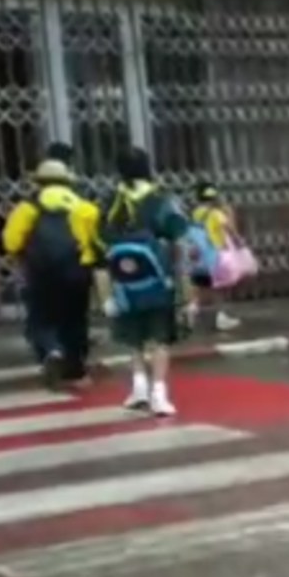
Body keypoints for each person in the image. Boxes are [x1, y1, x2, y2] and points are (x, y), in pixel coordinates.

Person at [99, 147, 190, 417]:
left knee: (133, 336)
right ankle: (159, 393)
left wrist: (105, 293)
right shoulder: (161, 200)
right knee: (160, 338)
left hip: (124, 282)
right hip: (159, 281)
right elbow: (180, 236)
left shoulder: (111, 202)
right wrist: (185, 284)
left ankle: (139, 387)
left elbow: (101, 241)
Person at [2, 157, 100, 389]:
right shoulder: (84, 207)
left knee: (41, 317)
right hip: (77, 271)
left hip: (42, 272)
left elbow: (11, 242)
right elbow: (96, 242)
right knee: (75, 320)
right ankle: (75, 371)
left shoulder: (29, 208)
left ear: (40, 182)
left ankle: (51, 349)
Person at [187, 182, 243, 333]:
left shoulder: (196, 213)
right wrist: (238, 241)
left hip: (199, 256)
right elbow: (230, 230)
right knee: (220, 287)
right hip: (216, 255)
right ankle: (221, 317)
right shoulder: (217, 214)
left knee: (198, 285)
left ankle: (191, 311)